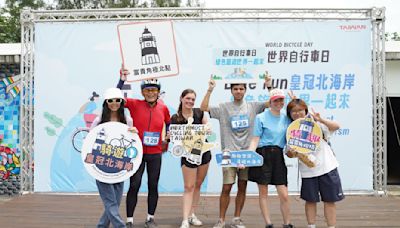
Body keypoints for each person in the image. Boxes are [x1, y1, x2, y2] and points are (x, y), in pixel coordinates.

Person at [200, 74, 271, 228]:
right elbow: (203, 108)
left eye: (241, 88)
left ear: (245, 90)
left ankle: (237, 219)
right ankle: (221, 220)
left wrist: (269, 86)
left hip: (246, 155)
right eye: (235, 89)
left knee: (242, 186)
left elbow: (272, 103)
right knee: (226, 187)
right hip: (228, 154)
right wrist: (210, 90)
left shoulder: (253, 106)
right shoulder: (224, 107)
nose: (238, 91)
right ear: (231, 91)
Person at [118, 69, 171, 228]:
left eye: (154, 90)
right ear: (142, 92)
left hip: (155, 153)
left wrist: (167, 137)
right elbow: (116, 98)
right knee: (134, 185)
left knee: (153, 185)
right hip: (137, 153)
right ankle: (129, 220)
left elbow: (169, 123)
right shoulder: (135, 104)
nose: (150, 93)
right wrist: (121, 80)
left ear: (158, 92)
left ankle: (150, 218)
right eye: (147, 90)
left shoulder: (163, 108)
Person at [285, 99, 344, 228]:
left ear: (305, 111)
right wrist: (293, 152)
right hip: (308, 172)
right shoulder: (290, 130)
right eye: (293, 111)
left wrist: (321, 119)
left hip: (327, 168)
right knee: (310, 201)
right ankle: (311, 226)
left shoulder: (316, 124)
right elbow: (288, 153)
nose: (297, 113)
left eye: (300, 110)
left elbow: (336, 126)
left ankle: (331, 226)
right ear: (289, 114)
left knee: (329, 200)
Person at [247, 88, 294, 228]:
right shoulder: (261, 117)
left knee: (284, 194)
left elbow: (295, 132)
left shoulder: (286, 119)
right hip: (263, 155)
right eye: (276, 100)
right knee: (263, 191)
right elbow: (255, 140)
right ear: (270, 102)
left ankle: (287, 223)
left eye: (281, 100)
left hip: (278, 156)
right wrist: (247, 157)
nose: (279, 103)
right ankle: (268, 223)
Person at [90, 88, 136, 228]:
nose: (114, 103)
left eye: (117, 100)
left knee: (115, 201)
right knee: (111, 202)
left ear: (122, 102)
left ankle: (101, 226)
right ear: (106, 103)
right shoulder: (98, 121)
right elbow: (90, 142)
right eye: (110, 100)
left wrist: (134, 133)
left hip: (119, 165)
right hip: (101, 165)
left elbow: (130, 144)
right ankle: (120, 226)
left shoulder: (128, 120)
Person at [170, 89, 211, 228]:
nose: (190, 101)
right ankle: (185, 219)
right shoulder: (175, 118)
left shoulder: (200, 113)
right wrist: (169, 137)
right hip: (187, 155)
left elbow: (209, 132)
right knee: (189, 186)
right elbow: (173, 140)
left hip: (204, 152)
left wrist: (209, 130)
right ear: (181, 98)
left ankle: (192, 214)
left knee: (198, 184)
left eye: (193, 99)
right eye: (188, 98)